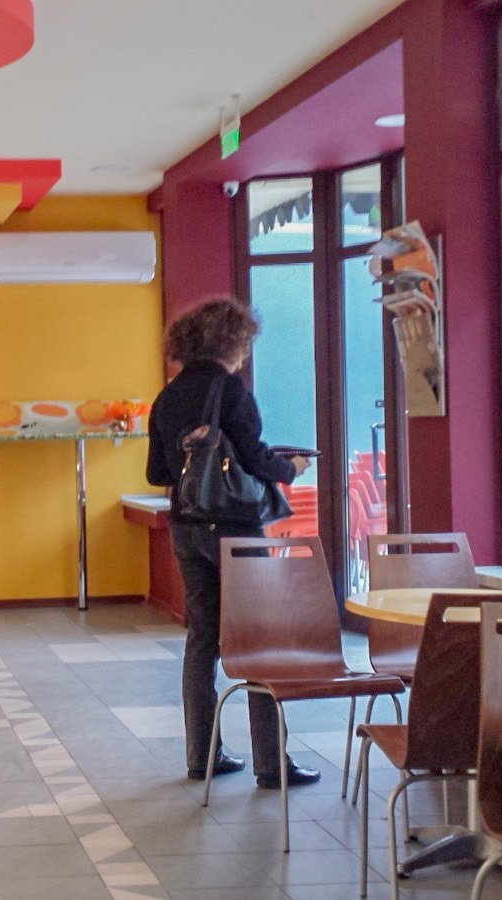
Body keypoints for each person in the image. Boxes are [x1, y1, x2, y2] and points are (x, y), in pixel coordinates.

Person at [145, 298, 319, 788]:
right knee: (258, 637)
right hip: (236, 530)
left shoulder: (167, 397)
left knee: (202, 639)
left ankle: (202, 756)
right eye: (245, 342)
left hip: (185, 527)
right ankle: (271, 763)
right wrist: (291, 468)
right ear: (231, 342)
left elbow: (158, 472)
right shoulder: (230, 390)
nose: (246, 353)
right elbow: (256, 458)